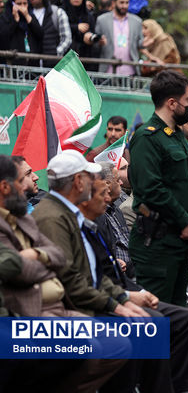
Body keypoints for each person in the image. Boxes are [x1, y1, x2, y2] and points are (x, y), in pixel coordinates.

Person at [32, 150, 179, 392]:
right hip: (75, 309)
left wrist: (121, 298)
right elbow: (71, 280)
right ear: (79, 182)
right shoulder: (54, 217)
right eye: (90, 179)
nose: (97, 185)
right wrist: (116, 305)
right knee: (146, 326)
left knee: (152, 323)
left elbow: (92, 274)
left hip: (89, 302)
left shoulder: (67, 213)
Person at [0, 154, 126, 393]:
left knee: (121, 342)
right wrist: (42, 260)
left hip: (61, 306)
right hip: (31, 311)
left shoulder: (23, 218)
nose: (29, 183)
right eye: (21, 180)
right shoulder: (47, 215)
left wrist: (37, 256)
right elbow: (19, 270)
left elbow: (56, 257)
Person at [79, 172, 188, 393]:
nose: (108, 198)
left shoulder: (105, 214)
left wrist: (137, 291)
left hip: (123, 285)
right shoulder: (75, 222)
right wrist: (123, 298)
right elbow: (85, 279)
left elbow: (110, 269)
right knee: (150, 323)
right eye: (103, 193)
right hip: (95, 302)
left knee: (185, 319)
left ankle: (177, 387)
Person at [128, 70, 188, 306]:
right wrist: (184, 221)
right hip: (158, 245)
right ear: (172, 103)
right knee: (157, 317)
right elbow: (151, 189)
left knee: (178, 317)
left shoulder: (176, 136)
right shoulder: (147, 137)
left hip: (180, 243)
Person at [95, 0, 143, 75]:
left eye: (127, 3)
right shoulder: (102, 20)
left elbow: (140, 44)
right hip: (108, 71)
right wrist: (99, 42)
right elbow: (95, 44)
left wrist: (146, 43)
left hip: (130, 71)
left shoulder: (137, 21)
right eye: (121, 2)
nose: (124, 6)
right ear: (113, 3)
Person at [29, 0, 71, 66]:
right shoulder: (27, 13)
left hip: (52, 66)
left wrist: (56, 54)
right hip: (30, 66)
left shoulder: (57, 12)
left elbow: (67, 39)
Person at [0, 0, 43, 65]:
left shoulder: (31, 16)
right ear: (12, 4)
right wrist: (15, 20)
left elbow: (40, 34)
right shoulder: (5, 18)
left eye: (25, 3)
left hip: (32, 63)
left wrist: (27, 16)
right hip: (13, 63)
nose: (22, 7)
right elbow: (4, 37)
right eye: (19, 4)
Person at [62, 0, 98, 64]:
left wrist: (88, 38)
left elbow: (92, 32)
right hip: (64, 57)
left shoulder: (88, 15)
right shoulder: (61, 12)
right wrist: (76, 27)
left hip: (83, 58)